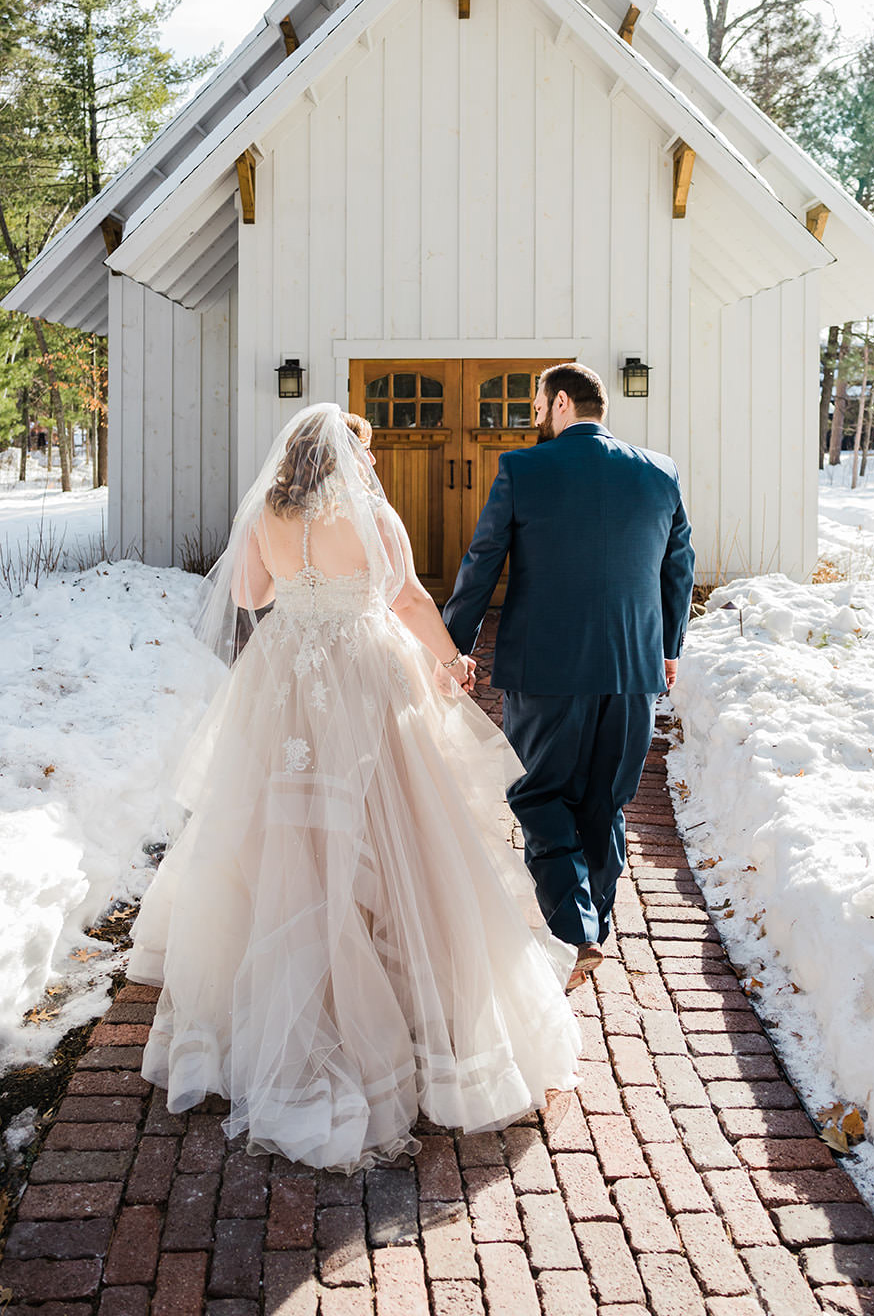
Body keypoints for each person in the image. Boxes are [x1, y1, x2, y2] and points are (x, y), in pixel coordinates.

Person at [126, 404, 580, 1173]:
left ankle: (274, 1003)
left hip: (284, 678)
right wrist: (447, 661)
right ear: (349, 456)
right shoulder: (370, 512)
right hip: (364, 674)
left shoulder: (269, 509)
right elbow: (403, 597)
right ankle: (410, 1019)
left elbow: (247, 596)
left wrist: (295, 580)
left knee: (281, 830)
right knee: (395, 828)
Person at [443, 363, 695, 995]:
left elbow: (483, 564)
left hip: (546, 667)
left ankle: (576, 931)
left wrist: (453, 645)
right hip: (633, 669)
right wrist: (667, 648)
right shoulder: (660, 471)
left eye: (535, 402)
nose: (533, 414)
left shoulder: (523, 470)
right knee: (604, 800)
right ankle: (594, 929)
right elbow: (678, 567)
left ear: (558, 402)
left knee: (538, 794)